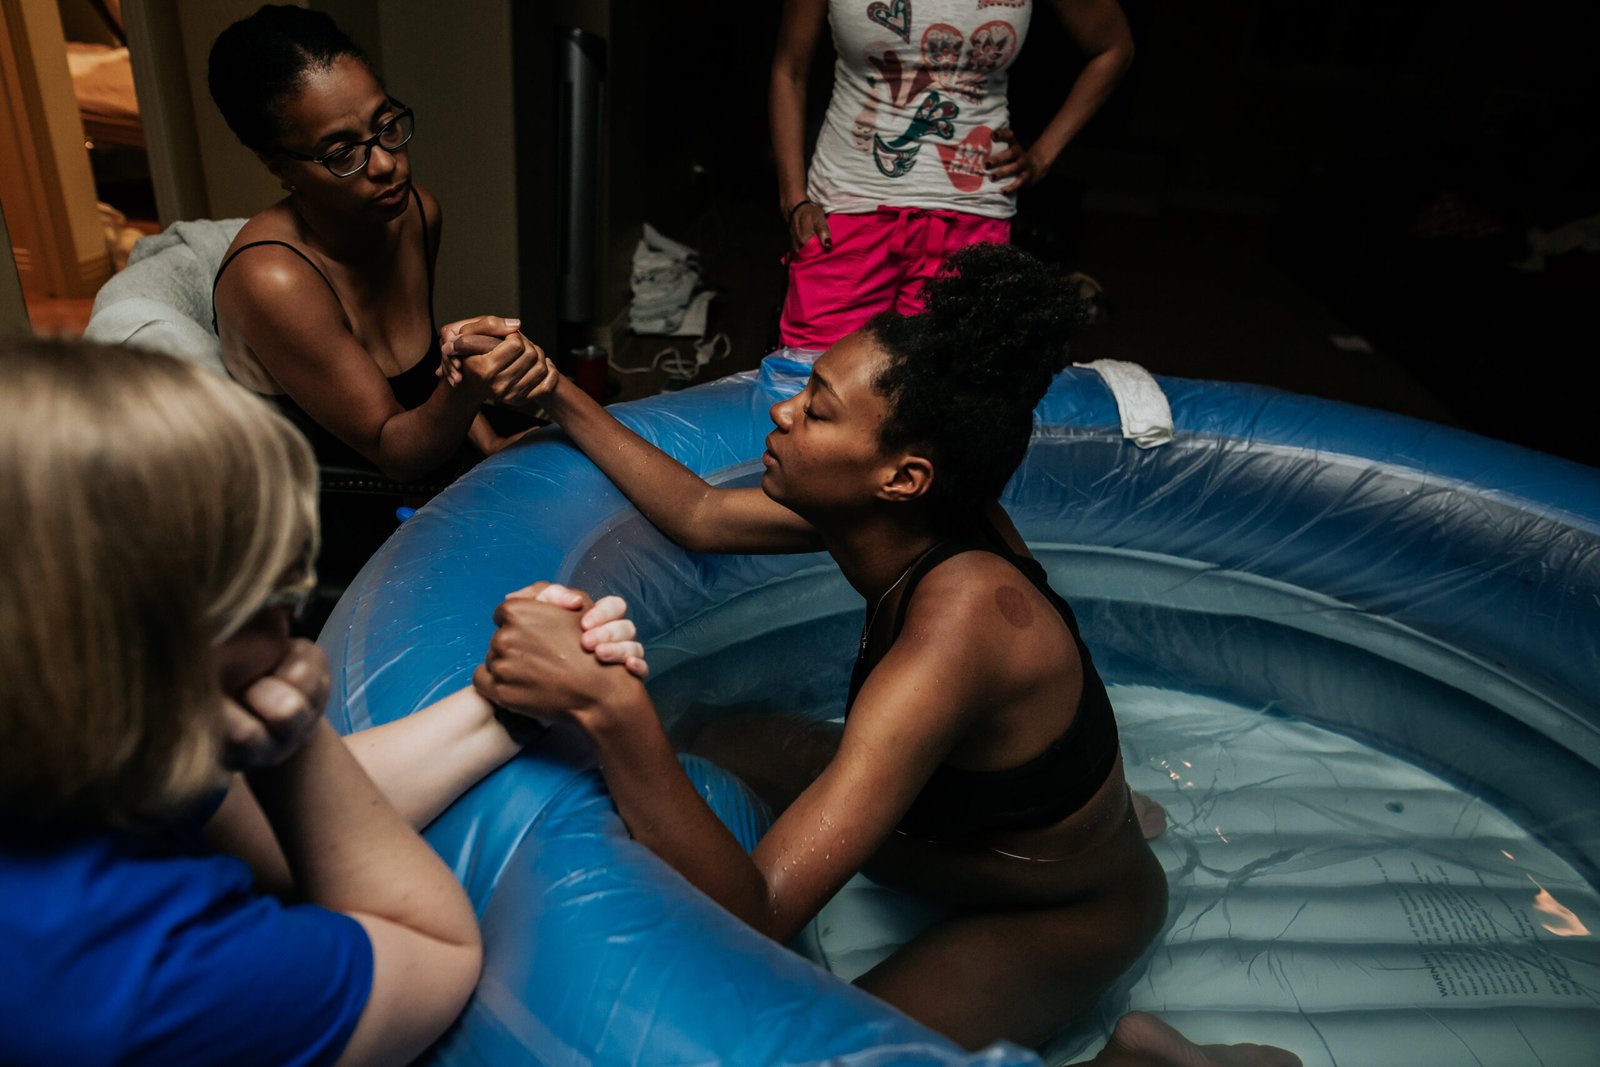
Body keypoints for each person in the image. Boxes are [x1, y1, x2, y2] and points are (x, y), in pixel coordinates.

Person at [468, 244, 1297, 1066]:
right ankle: (1083, 817)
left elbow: (761, 910)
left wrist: (613, 710)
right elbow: (697, 513)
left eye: (818, 409)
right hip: (949, 828)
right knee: (715, 731)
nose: (783, 411)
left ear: (903, 476)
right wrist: (552, 394)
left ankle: (1148, 1058)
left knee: (819, 1058)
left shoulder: (958, 631)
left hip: (1059, 908)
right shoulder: (897, 515)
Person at [0, 337, 643, 1066]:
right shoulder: (131, 971)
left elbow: (254, 834)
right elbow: (435, 954)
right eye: (271, 598)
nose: (291, 627)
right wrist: (297, 734)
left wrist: (501, 705)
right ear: (128, 647)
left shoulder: (66, 740)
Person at [208, 5, 541, 485]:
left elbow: (427, 374)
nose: (386, 165)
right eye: (342, 153)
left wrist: (488, 443)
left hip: (429, 446)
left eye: (386, 127)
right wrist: (468, 387)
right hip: (330, 496)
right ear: (278, 167)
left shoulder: (415, 214)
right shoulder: (272, 280)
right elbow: (392, 450)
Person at [770, 0, 1135, 351]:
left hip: (972, 218)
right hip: (846, 208)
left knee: (947, 396)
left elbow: (1112, 47)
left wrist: (1041, 156)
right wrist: (794, 199)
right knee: (810, 386)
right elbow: (790, 69)